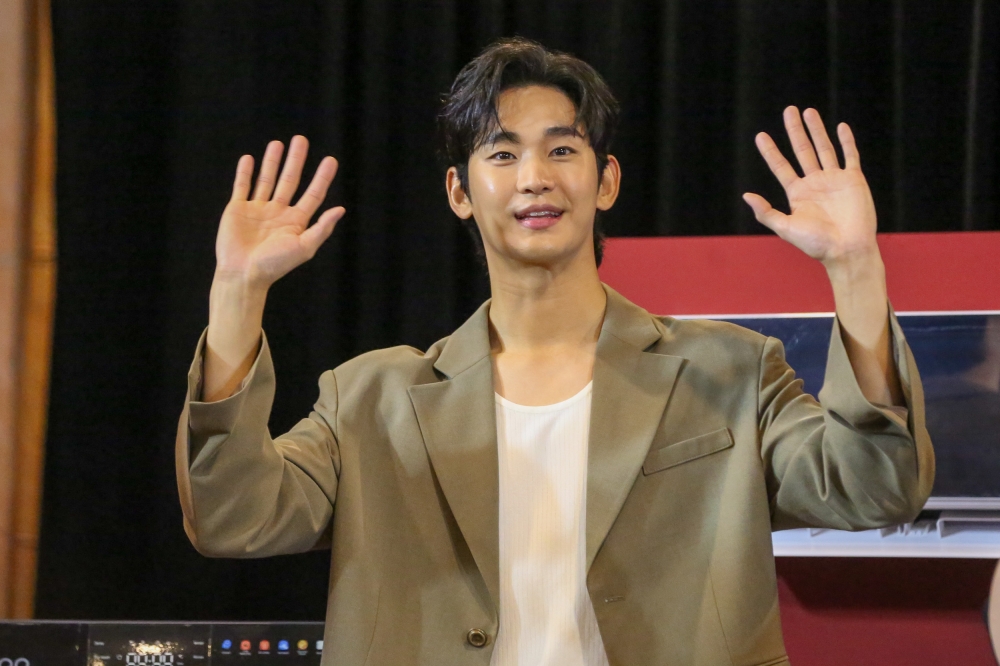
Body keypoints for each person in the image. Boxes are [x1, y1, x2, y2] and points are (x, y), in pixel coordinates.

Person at [175, 37, 933, 665]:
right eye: (501, 156)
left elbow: (874, 488)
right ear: (458, 192)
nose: (535, 178)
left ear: (605, 180)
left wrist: (855, 266)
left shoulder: (731, 371)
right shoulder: (369, 397)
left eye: (561, 149)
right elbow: (234, 516)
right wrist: (238, 292)